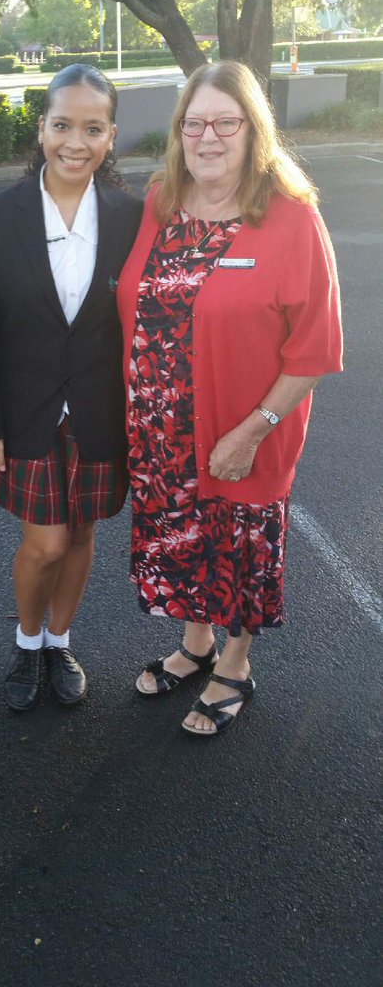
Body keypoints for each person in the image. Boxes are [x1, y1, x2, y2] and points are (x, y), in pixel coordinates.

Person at [117, 60, 343, 737]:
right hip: (159, 430)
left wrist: (252, 430)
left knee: (239, 549)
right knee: (184, 540)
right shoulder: (162, 201)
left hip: (240, 432)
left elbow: (315, 349)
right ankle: (196, 645)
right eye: (194, 124)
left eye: (225, 123)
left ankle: (235, 665)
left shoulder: (290, 218)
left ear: (253, 131)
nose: (207, 137)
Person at [0, 64, 143, 711]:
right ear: (41, 129)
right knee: (44, 542)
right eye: (63, 125)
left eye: (93, 129)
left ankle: (58, 641)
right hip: (27, 411)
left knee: (81, 535)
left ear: (111, 137)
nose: (76, 142)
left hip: (101, 410)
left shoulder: (131, 217)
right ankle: (26, 642)